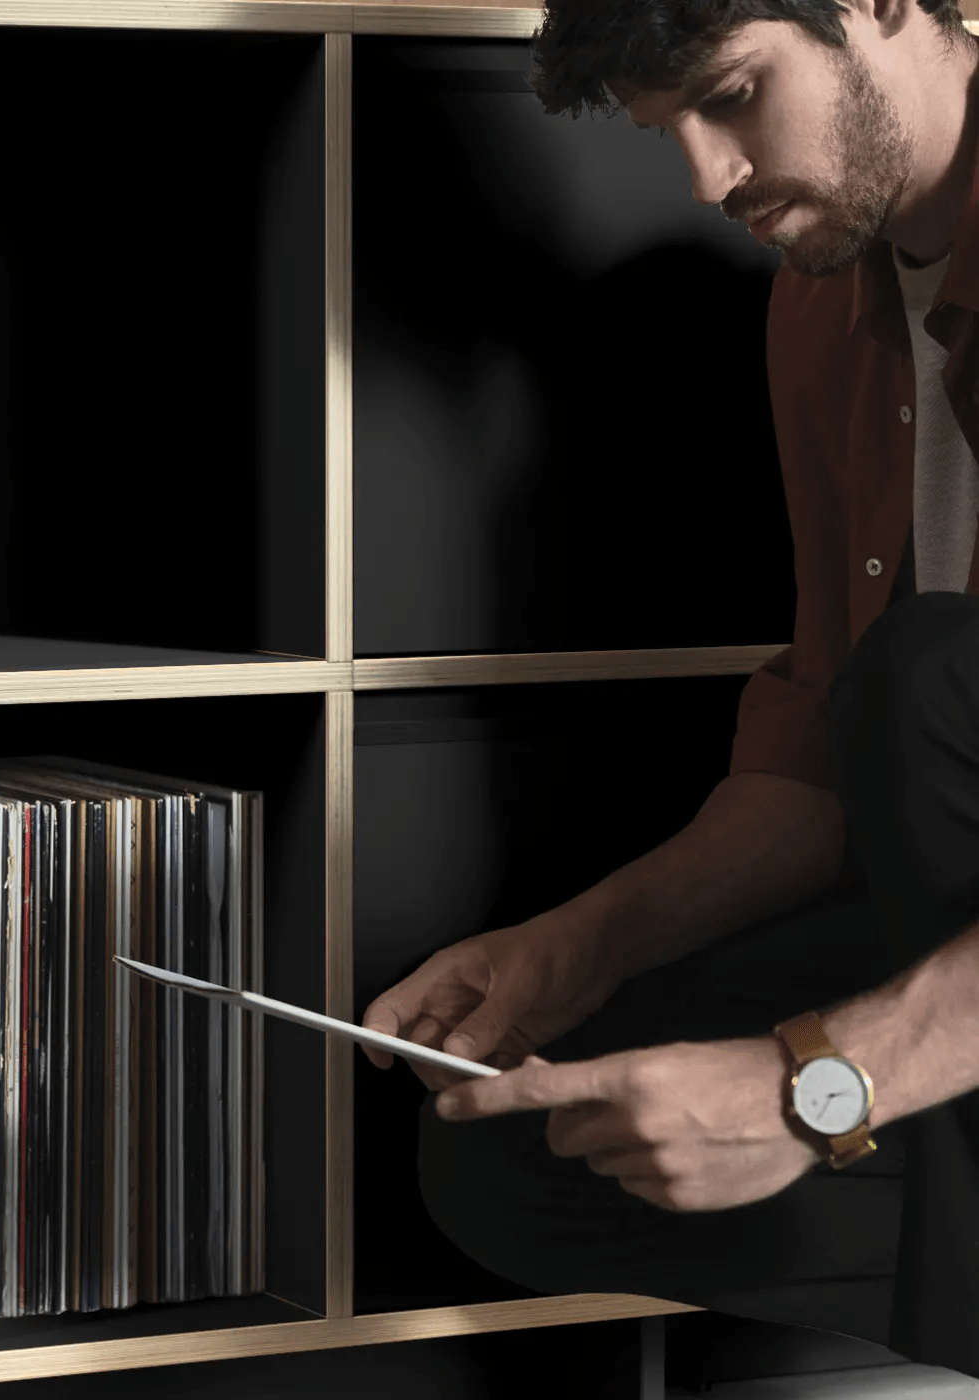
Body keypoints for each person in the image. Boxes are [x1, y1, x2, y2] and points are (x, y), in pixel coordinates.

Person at [358, 0, 979, 1376]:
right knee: (524, 1155)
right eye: (669, 134)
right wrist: (584, 943)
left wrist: (814, 1087)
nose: (706, 181)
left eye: (735, 96)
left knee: (930, 680)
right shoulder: (826, 308)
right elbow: (810, 771)